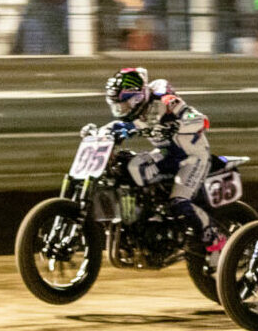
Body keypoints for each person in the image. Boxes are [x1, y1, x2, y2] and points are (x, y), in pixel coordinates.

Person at [96, 67, 223, 252]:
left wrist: (175, 126)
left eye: (123, 105)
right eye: (116, 106)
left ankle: (215, 239)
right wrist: (99, 133)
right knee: (132, 168)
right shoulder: (135, 115)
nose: (120, 110)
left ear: (137, 98)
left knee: (180, 201)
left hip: (193, 157)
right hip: (167, 155)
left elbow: (200, 120)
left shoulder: (166, 100)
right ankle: (148, 220)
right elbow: (119, 126)